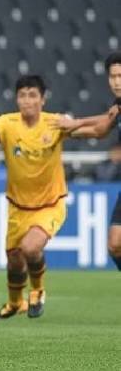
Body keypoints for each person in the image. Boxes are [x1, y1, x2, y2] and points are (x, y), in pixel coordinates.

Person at [0, 75, 77, 319]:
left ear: (43, 99)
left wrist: (79, 124)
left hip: (50, 204)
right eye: (22, 95)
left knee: (30, 248)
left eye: (33, 95)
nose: (27, 101)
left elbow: (87, 131)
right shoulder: (6, 123)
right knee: (14, 261)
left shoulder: (55, 123)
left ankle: (37, 291)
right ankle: (15, 303)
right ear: (17, 98)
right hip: (18, 207)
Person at [55, 52, 121, 270]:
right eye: (112, 77)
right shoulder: (118, 105)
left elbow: (104, 120)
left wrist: (74, 123)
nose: (117, 82)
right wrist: (64, 132)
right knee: (115, 244)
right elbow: (100, 129)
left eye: (120, 76)